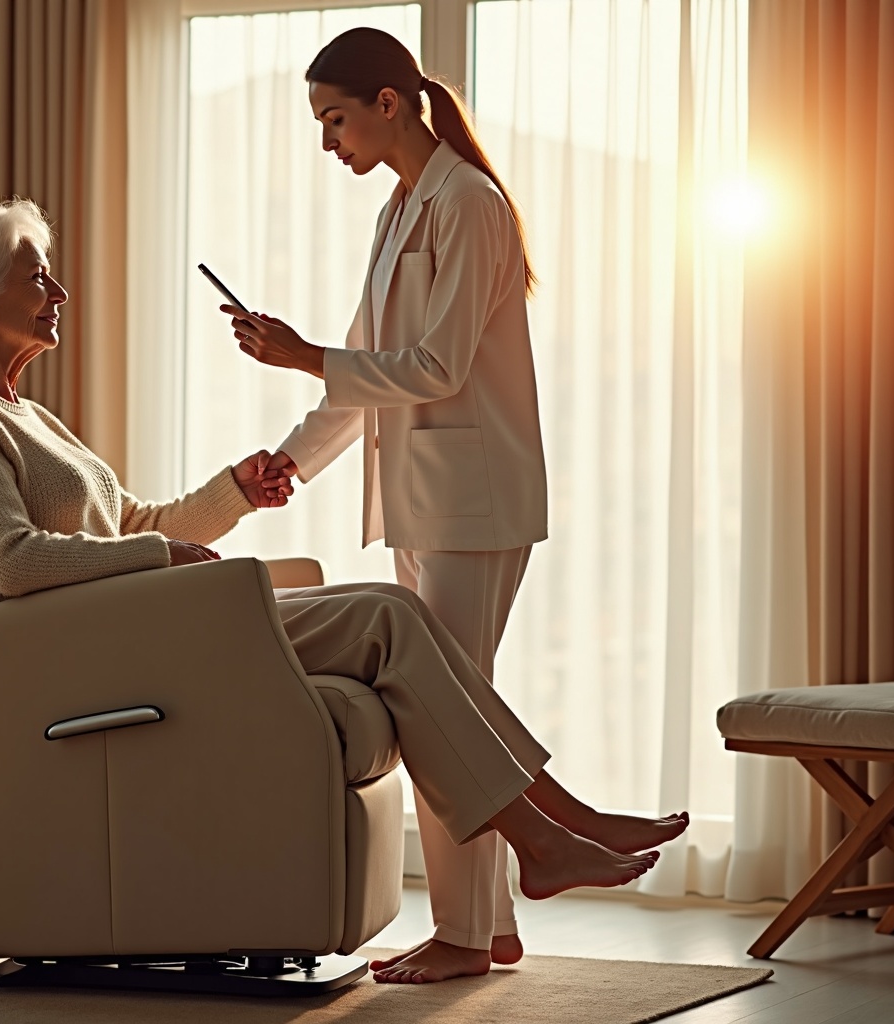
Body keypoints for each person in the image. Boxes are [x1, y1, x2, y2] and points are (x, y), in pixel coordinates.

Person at [0, 199, 663, 983]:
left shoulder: (24, 413)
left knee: (393, 612)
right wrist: (163, 554)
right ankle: (547, 831)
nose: (58, 293)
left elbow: (130, 520)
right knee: (383, 612)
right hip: (101, 646)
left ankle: (547, 826)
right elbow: (15, 562)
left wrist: (235, 490)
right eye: (38, 277)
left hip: (133, 619)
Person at [218, 27, 689, 983]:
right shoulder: (397, 211)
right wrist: (292, 464)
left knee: (438, 709)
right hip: (421, 503)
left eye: (333, 119)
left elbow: (434, 369)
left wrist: (302, 352)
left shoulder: (468, 205)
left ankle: (471, 934)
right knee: (450, 704)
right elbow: (361, 380)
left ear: (388, 104)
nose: (326, 142)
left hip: (473, 500)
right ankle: (506, 913)